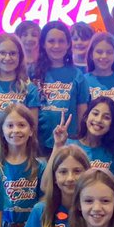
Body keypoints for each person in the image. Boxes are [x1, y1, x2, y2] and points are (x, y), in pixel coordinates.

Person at [33, 21, 87, 151]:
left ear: (68, 44)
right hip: (38, 145)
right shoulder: (33, 73)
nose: (56, 46)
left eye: (61, 41)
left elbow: (82, 115)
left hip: (69, 145)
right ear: (43, 44)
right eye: (51, 41)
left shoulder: (77, 75)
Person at [0, 104, 43, 227]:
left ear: (31, 130)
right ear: (2, 131)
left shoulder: (39, 166)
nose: (16, 130)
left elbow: (44, 202)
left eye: (21, 125)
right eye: (10, 125)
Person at [24, 146, 87, 227]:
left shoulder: (93, 210)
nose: (70, 178)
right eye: (63, 172)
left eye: (77, 171)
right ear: (54, 177)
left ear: (87, 174)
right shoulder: (40, 210)